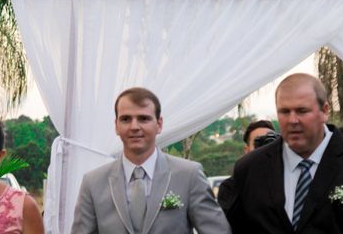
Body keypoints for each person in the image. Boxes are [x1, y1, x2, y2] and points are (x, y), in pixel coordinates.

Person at [218, 73, 343, 233]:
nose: (292, 120)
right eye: (284, 111)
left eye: (302, 111)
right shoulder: (250, 168)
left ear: (325, 111)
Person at [71, 87, 230, 234]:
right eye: (126, 119)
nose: (134, 126)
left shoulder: (189, 175)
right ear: (116, 125)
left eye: (143, 118)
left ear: (159, 124)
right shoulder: (93, 182)